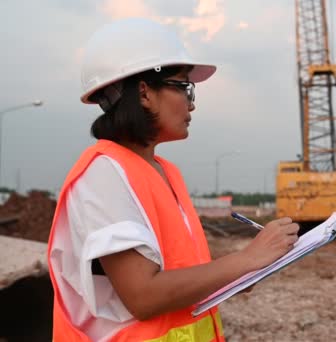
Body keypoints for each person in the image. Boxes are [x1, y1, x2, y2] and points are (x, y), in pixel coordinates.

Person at [47, 18, 299, 342]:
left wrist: (244, 270)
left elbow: (183, 277)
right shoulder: (103, 174)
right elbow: (144, 296)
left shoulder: (165, 172)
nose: (191, 102)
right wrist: (244, 259)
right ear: (144, 93)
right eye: (184, 87)